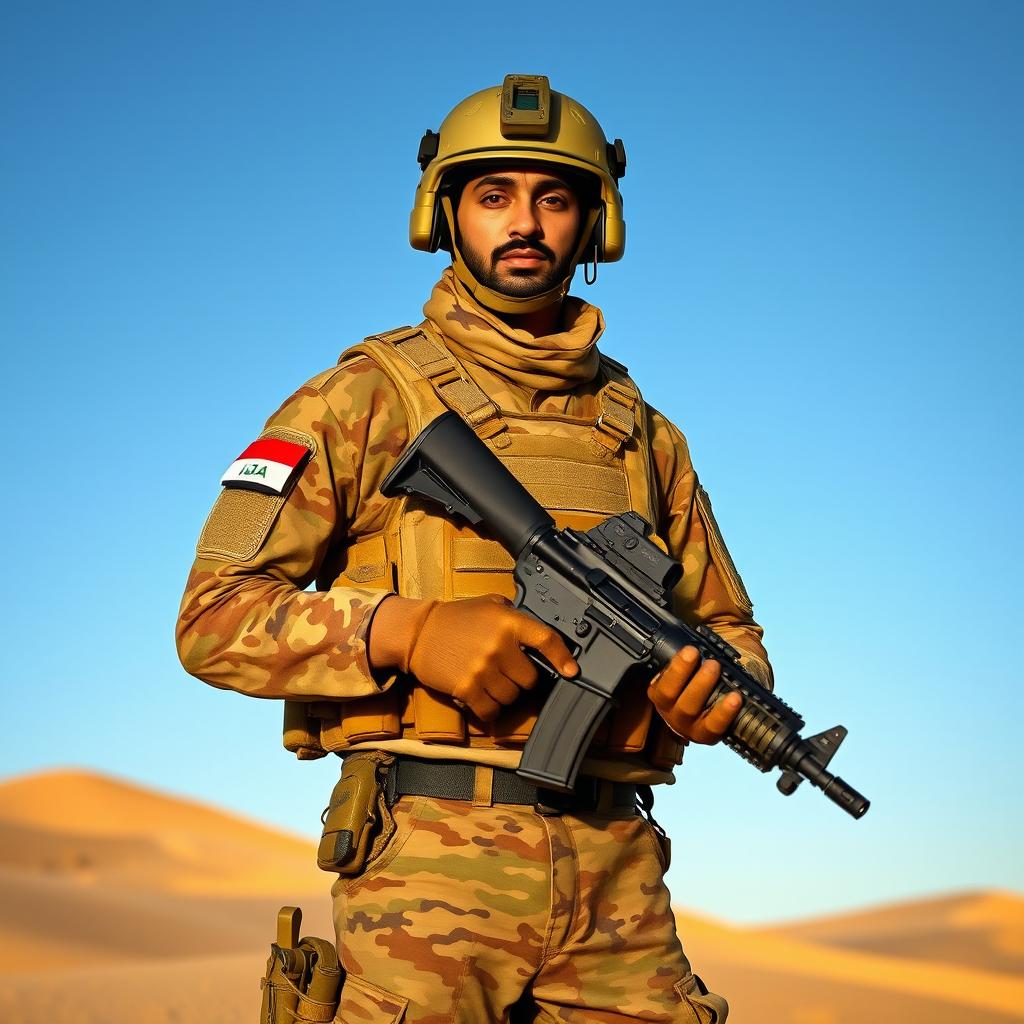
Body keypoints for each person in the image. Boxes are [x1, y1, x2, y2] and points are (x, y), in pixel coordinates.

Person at [177, 74, 773, 1024]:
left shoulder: (644, 436)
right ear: (445, 212)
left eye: (555, 197)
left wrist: (713, 688)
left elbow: (729, 628)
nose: (525, 223)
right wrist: (405, 631)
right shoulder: (359, 399)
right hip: (427, 870)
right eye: (494, 195)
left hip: (618, 878)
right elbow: (212, 620)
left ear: (595, 225)